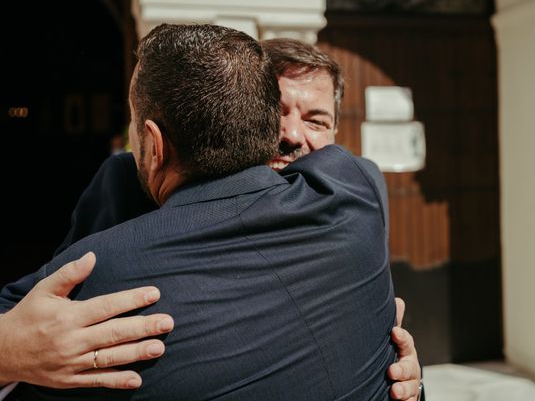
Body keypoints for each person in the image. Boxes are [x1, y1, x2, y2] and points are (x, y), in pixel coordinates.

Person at [0, 37, 422, 401]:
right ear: (242, 115)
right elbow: (48, 303)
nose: (292, 134)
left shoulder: (352, 195)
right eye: (277, 110)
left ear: (334, 137)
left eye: (316, 121)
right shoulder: (126, 185)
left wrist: (399, 369)